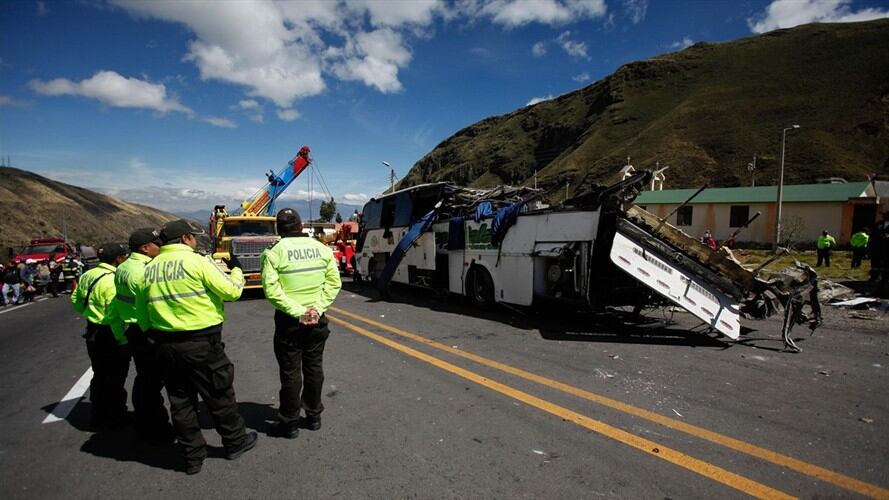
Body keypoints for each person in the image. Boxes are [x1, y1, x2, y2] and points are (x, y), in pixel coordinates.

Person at [142, 219, 256, 475]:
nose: (195, 240)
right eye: (193, 236)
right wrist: (237, 271)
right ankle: (235, 442)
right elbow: (231, 292)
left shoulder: (149, 269)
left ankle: (192, 456)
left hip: (165, 345)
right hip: (201, 343)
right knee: (219, 394)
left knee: (181, 401)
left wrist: (154, 337)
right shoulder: (197, 261)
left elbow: (142, 311)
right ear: (185, 238)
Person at [260, 208, 342, 439]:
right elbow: (334, 283)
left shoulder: (274, 252)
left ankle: (289, 424)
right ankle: (314, 417)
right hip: (317, 320)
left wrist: (299, 313)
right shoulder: (321, 248)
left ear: (278, 228)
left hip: (289, 323)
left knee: (290, 373)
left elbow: (272, 290)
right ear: (301, 226)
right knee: (314, 368)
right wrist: (317, 309)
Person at [114, 228, 174, 443]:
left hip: (132, 328)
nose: (161, 247)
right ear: (145, 248)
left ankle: (144, 423)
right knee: (152, 383)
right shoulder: (143, 271)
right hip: (145, 330)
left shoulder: (123, 267)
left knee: (144, 380)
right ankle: (155, 429)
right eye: (157, 244)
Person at [71, 242, 131, 429]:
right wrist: (122, 339)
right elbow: (114, 316)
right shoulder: (113, 280)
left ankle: (97, 414)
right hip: (110, 334)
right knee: (115, 377)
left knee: (99, 374)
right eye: (124, 256)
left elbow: (75, 300)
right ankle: (116, 416)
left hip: (93, 331)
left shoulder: (88, 275)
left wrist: (90, 314)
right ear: (118, 259)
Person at [870, 210, 889, 287]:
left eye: (886, 215)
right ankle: (874, 277)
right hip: (877, 247)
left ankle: (885, 278)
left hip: (887, 248)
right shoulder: (878, 224)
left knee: (886, 264)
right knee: (875, 263)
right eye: (883, 215)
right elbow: (873, 233)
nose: (884, 216)